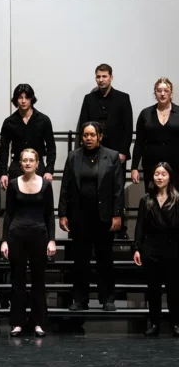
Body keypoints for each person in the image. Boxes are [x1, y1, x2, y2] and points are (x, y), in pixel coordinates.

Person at [59, 122, 124, 311]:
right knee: (80, 261)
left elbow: (118, 189)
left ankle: (107, 299)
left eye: (92, 135)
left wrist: (117, 214)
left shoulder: (111, 156)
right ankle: (80, 299)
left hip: (103, 217)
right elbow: (65, 187)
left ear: (100, 136)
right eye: (85, 135)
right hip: (79, 217)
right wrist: (63, 214)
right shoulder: (73, 156)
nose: (88, 138)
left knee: (105, 260)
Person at [1, 149, 55, 338]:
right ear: (20, 163)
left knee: (38, 281)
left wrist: (52, 240)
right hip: (17, 235)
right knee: (18, 281)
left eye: (31, 160)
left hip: (39, 235)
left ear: (37, 163)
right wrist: (4, 240)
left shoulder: (47, 185)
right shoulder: (14, 185)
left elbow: (49, 214)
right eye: (24, 160)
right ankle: (17, 322)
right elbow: (8, 213)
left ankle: (38, 322)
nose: (28, 163)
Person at [77, 64, 133, 238]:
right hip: (93, 152)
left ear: (111, 77)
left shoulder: (123, 98)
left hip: (117, 153)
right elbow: (83, 125)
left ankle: (119, 226)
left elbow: (128, 127)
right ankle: (96, 224)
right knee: (95, 187)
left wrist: (123, 151)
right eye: (98, 77)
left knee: (117, 188)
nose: (101, 80)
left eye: (104, 76)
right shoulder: (89, 99)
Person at [133, 162, 179, 337]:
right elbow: (139, 228)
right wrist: (137, 248)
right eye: (157, 174)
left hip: (172, 250)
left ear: (169, 177)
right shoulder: (146, 200)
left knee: (174, 290)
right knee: (153, 290)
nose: (159, 177)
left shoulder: (177, 199)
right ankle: (154, 324)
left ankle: (176, 323)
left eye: (163, 174)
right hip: (151, 249)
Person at [0, 84, 56, 189]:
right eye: (20, 98)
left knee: (39, 202)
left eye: (27, 98)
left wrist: (49, 170)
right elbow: (4, 149)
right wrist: (3, 173)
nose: (23, 101)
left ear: (32, 99)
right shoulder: (9, 122)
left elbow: (51, 147)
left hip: (38, 166)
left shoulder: (43, 120)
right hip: (17, 165)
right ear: (16, 100)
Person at [131, 78, 179, 188]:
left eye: (166, 91)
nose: (162, 94)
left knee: (175, 199)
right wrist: (134, 168)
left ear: (171, 94)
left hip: (176, 164)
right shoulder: (145, 114)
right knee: (151, 199)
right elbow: (139, 143)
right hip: (151, 164)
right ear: (155, 93)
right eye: (159, 90)